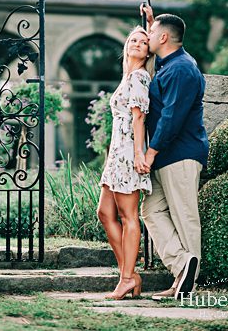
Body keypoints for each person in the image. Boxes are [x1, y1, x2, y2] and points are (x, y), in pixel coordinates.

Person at [138, 4, 208, 301]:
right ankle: (182, 265)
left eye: (151, 33)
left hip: (179, 154)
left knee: (184, 215)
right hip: (168, 155)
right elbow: (168, 37)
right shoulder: (175, 63)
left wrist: (151, 152)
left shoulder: (181, 69)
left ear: (163, 38)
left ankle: (187, 285)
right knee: (151, 211)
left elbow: (172, 117)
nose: (147, 36)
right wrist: (154, 22)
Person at [97, 27, 153, 300]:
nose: (138, 44)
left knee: (128, 216)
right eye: (134, 40)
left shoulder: (141, 77)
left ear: (149, 51)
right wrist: (149, 20)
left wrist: (139, 154)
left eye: (144, 42)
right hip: (117, 154)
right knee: (105, 213)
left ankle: (127, 277)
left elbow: (138, 117)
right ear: (126, 45)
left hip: (130, 152)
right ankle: (128, 273)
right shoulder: (128, 76)